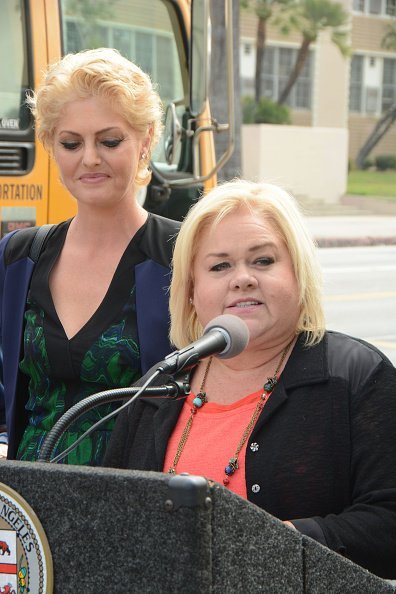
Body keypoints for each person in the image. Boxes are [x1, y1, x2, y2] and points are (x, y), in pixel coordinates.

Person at [103, 179, 396, 579]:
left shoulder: (357, 377)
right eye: (219, 266)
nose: (241, 278)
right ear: (192, 291)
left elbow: (388, 523)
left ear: (299, 272)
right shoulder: (160, 385)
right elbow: (109, 516)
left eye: (263, 261)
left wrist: (280, 544)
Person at [0, 48, 181, 465]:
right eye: (71, 143)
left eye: (109, 140)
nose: (90, 159)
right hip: (28, 508)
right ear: (50, 144)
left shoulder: (183, 256)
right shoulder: (18, 257)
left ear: (146, 139)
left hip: (137, 505)